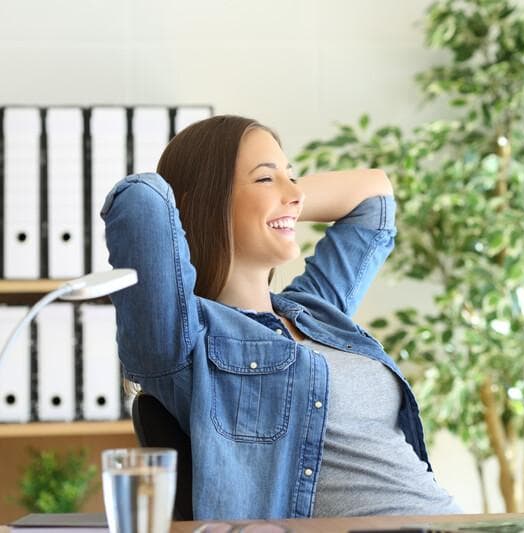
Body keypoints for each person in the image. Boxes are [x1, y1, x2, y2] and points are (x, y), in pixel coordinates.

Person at [101, 115, 461, 520]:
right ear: (198, 201)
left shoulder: (315, 309)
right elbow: (140, 201)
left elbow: (374, 195)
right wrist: (233, 202)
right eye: (265, 179)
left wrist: (278, 196)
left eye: (293, 178)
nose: (296, 195)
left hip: (454, 521)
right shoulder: (184, 343)